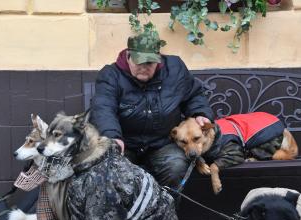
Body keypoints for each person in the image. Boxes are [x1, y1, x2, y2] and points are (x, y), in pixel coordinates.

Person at [90, 28, 214, 193]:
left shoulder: (175, 69)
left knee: (176, 166)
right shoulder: (111, 75)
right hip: (126, 143)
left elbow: (194, 95)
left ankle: (164, 212)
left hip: (162, 142)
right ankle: (130, 216)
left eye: (149, 63)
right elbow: (103, 108)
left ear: (159, 59)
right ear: (128, 56)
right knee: (114, 171)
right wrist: (113, 137)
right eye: (138, 62)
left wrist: (200, 114)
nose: (144, 67)